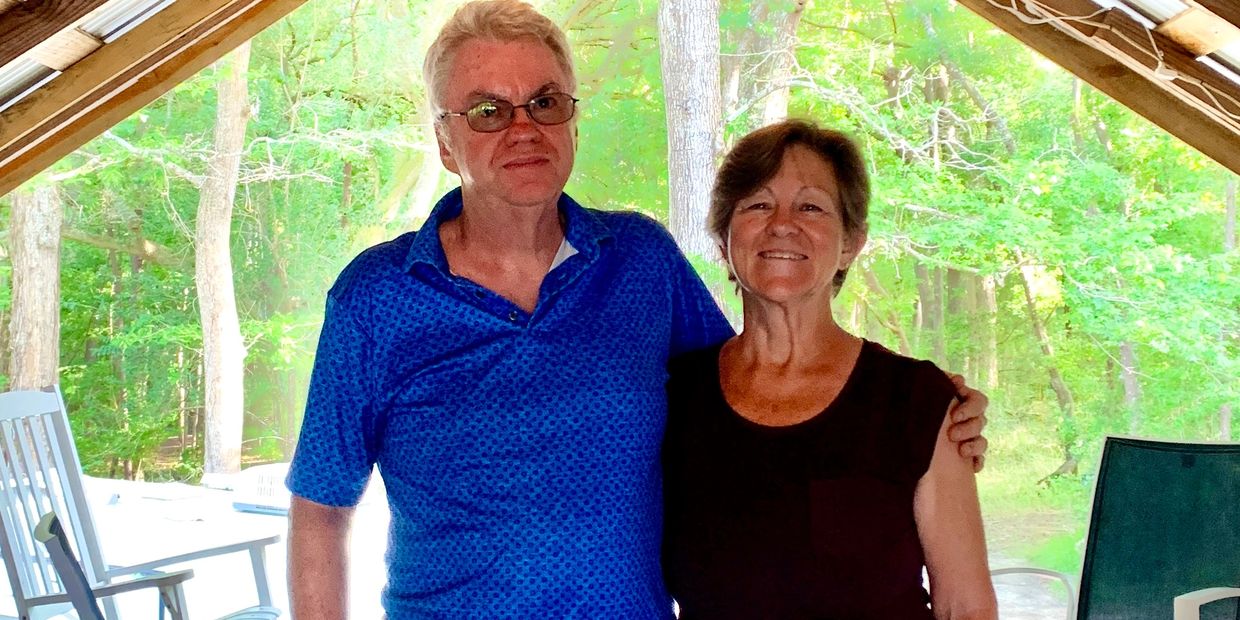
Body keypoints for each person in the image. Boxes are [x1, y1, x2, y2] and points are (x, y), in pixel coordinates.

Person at [285, 2, 990, 618]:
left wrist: (925, 416)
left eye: (546, 102)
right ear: (445, 141)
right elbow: (320, 508)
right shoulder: (375, 299)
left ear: (572, 120)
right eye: (487, 111)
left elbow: (748, 397)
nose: (522, 128)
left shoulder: (640, 262)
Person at [662, 119, 998, 619]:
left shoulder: (914, 402)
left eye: (811, 206)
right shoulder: (673, 396)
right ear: (723, 240)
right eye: (757, 204)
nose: (782, 223)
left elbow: (965, 608)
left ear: (850, 243)